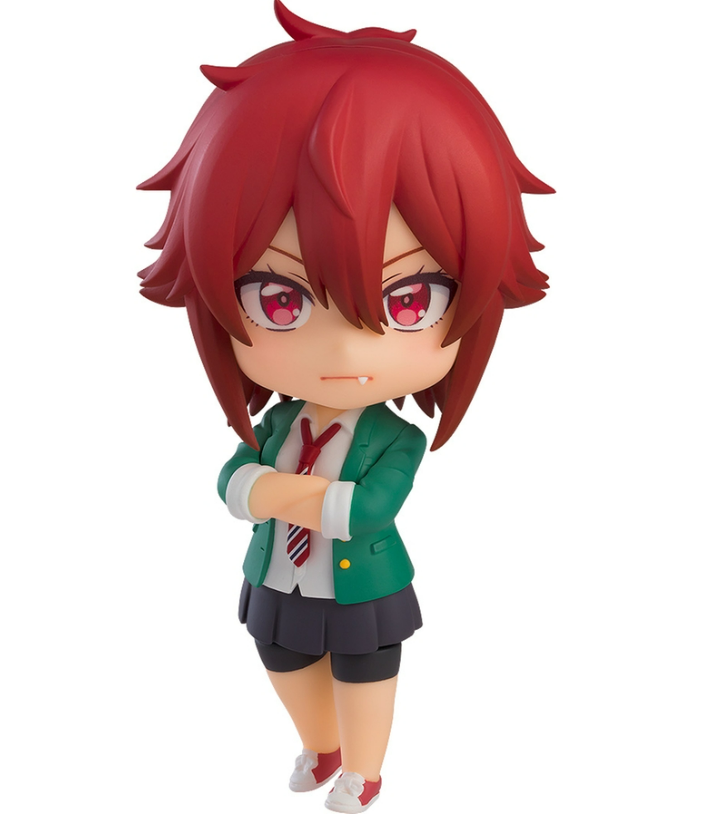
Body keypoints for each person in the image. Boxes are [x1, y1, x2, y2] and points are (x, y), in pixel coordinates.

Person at [138, 1, 553, 812]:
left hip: (364, 588)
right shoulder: (275, 423)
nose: (347, 351)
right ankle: (319, 744)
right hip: (279, 577)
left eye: (408, 299)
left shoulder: (395, 440)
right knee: (281, 660)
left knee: (366, 671)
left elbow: (365, 510)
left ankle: (364, 766)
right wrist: (269, 491)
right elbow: (230, 483)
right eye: (279, 298)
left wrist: (271, 491)